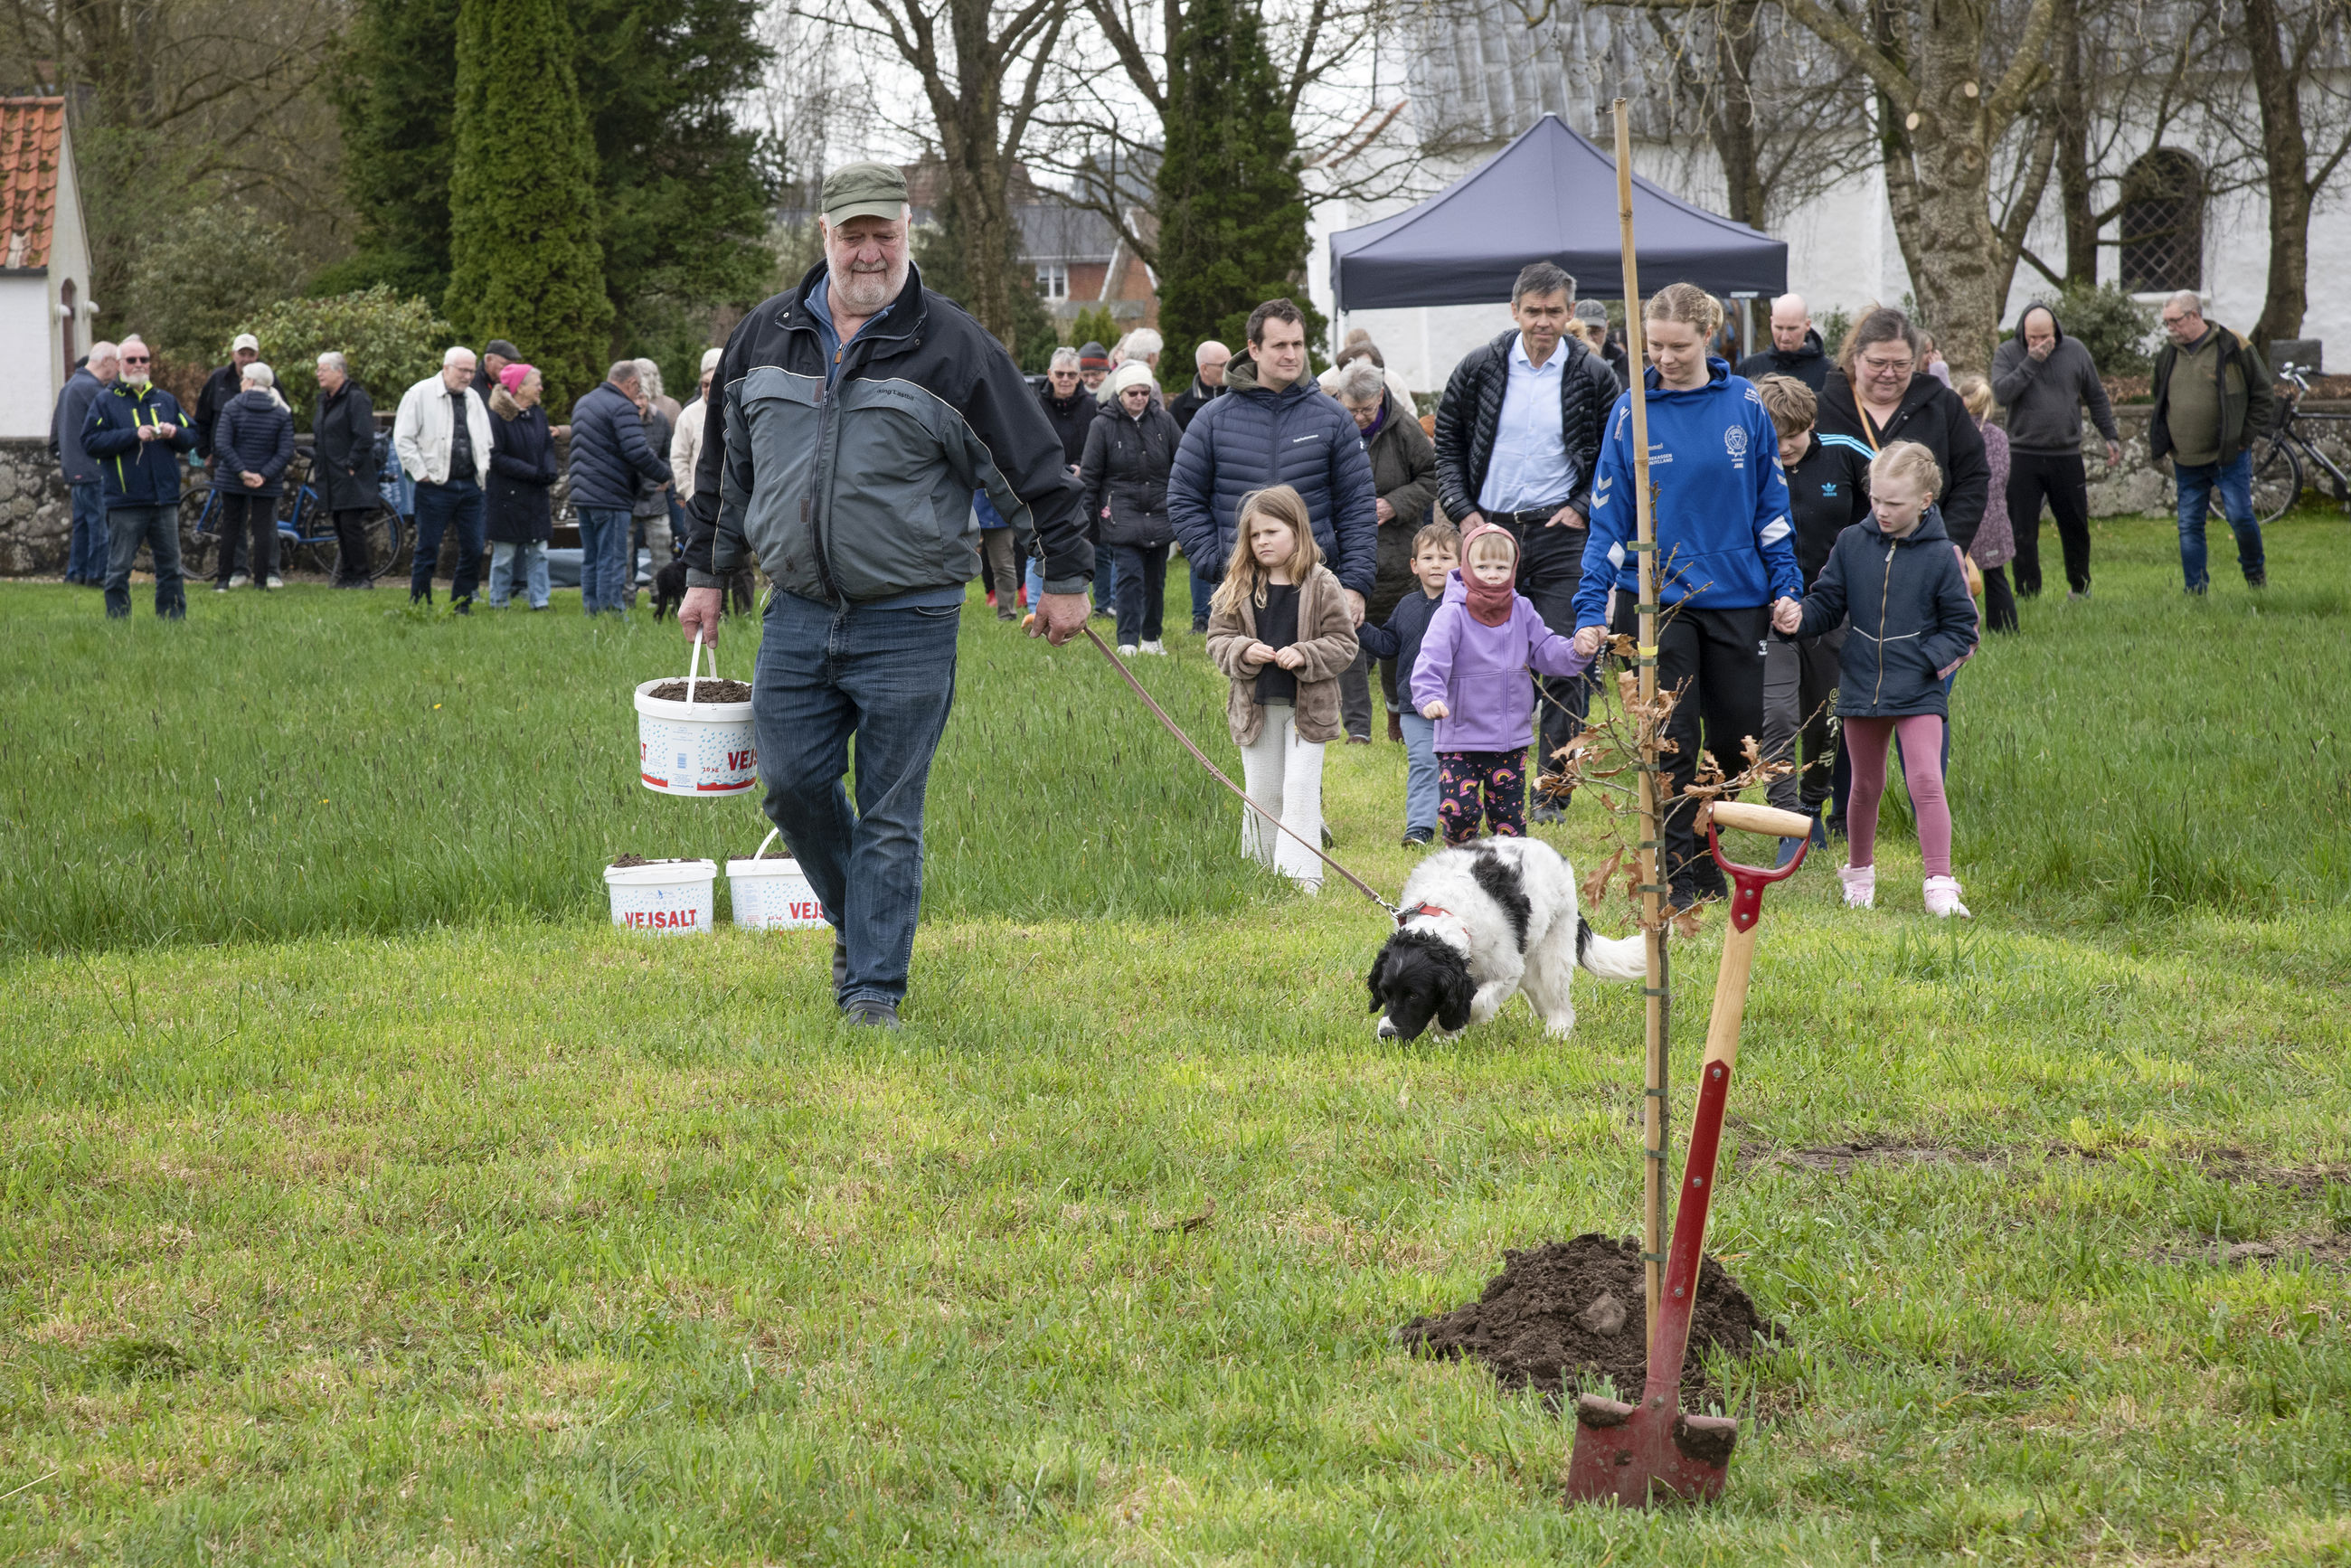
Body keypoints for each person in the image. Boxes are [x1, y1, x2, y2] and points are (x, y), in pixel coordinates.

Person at [674, 159, 1091, 1029]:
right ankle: (861, 925)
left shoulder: (954, 346)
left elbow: (1034, 471)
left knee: (893, 810)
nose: (869, 251)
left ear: (908, 234)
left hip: (911, 617)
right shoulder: (764, 336)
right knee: (790, 788)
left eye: (884, 234)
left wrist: (1068, 580)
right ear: (823, 236)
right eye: (852, 234)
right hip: (796, 613)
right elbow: (724, 472)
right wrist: (707, 575)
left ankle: (873, 992)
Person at [1573, 283, 1801, 909]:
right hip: (1659, 603)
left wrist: (1787, 584)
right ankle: (1683, 866)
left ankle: (1708, 833)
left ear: (1708, 336)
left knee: (1735, 737)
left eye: (1678, 346)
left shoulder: (1746, 405)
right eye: (1654, 346)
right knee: (1672, 733)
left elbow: (1771, 509)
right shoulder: (1632, 411)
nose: (1665, 358)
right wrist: (1592, 610)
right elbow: (1608, 522)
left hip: (1737, 598)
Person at [1434, 260, 1620, 819]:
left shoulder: (1592, 375)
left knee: (1567, 658)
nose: (1544, 321)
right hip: (1489, 532)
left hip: (1560, 532)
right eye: (1533, 311)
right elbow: (1446, 445)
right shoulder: (1480, 368)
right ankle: (1470, 768)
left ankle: (1552, 791)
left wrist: (1582, 508)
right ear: (1514, 311)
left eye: (1555, 312)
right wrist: (1463, 513)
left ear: (1570, 315)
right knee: (1480, 657)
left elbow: (1614, 455)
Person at [1779, 441, 1978, 917]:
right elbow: (1827, 603)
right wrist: (1798, 618)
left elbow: (1963, 630)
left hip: (1919, 689)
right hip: (1861, 685)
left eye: (1895, 503)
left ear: (1926, 501)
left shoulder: (1942, 555)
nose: (1882, 511)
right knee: (1863, 786)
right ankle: (1859, 875)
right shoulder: (1851, 543)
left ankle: (1940, 882)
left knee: (1926, 780)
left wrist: (1925, 662)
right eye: (1876, 500)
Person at [1169, 297, 1379, 684]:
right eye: (1280, 345)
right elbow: (1183, 497)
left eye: (1298, 344)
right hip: (1242, 590)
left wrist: (1354, 584)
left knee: (1313, 704)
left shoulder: (1333, 418)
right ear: (1253, 348)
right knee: (1251, 703)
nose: (1291, 354)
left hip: (1315, 583)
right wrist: (1220, 563)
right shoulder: (1213, 420)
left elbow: (1358, 506)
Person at [1204, 486, 1358, 891]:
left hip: (1309, 709)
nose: (1262, 542)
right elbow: (1217, 641)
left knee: (1300, 787)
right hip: (1255, 708)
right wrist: (1243, 649)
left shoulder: (1323, 583)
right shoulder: (1238, 583)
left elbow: (1345, 644)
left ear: (1297, 531)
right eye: (1255, 535)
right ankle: (1258, 872)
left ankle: (1302, 878)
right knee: (1262, 790)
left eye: (1272, 532)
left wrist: (1306, 654)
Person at [1413, 522, 1593, 845]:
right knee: (1460, 814)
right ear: (1467, 568)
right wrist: (1429, 696)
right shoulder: (1452, 613)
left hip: (1509, 741)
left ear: (1513, 568)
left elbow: (1546, 650)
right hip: (1460, 738)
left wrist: (1576, 650)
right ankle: (1461, 869)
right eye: (1482, 566)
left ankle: (1509, 878)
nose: (1492, 574)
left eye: (1501, 566)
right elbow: (1431, 660)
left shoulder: (1522, 609)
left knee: (1509, 823)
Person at [1753, 373, 1869, 859]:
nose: (1783, 448)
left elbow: (1885, 514)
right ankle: (1787, 821)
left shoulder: (1846, 453)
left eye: (1793, 436)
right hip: (1766, 613)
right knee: (1778, 714)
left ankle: (1813, 805)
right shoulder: (1748, 463)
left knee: (1826, 718)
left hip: (1831, 613)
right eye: (1772, 437)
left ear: (1812, 423)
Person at [1817, 307, 1990, 559]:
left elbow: (1973, 479)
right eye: (1877, 363)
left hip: (1926, 560)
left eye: (1900, 365)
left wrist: (1947, 547)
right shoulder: (1821, 411)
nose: (1889, 374)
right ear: (1856, 357)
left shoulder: (1944, 406)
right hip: (1840, 565)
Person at [1333, 357, 1439, 741]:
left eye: (1367, 409)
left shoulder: (1405, 430)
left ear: (1381, 396)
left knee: (1397, 641)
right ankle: (1358, 729)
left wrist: (1395, 503)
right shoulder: (1332, 425)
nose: (1360, 417)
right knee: (1348, 635)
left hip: (1396, 555)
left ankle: (1397, 712)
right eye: (1352, 409)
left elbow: (1431, 477)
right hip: (1345, 551)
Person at [2148, 289, 2278, 594]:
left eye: (2175, 321)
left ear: (2195, 316)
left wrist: (2243, 438)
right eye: (2166, 323)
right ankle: (2195, 590)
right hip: (2186, 459)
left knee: (2239, 515)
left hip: (2228, 456)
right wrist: (2167, 440)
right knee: (2189, 526)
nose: (2170, 328)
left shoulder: (2232, 346)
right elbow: (2159, 398)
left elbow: (2263, 395)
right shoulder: (2167, 355)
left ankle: (2254, 574)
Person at [1990, 302, 2121, 600]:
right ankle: (2027, 593)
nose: (2038, 343)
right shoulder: (2009, 353)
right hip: (2023, 455)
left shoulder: (2075, 350)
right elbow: (2001, 393)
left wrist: (2110, 436)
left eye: (2044, 337)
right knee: (2023, 531)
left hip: (2066, 455)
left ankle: (2080, 587)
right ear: (2023, 332)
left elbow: (2096, 397)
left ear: (2056, 332)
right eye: (2032, 337)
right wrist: (2031, 362)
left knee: (2075, 526)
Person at [1356, 522, 1459, 844]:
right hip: (1415, 706)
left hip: (1459, 705)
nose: (1437, 564)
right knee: (1424, 762)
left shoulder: (1467, 607)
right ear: (1414, 565)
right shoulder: (1406, 606)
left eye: (1445, 557)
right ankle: (1419, 826)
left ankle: (1459, 823)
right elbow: (1388, 644)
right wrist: (1359, 628)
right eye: (1428, 558)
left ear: (1461, 565)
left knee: (1459, 769)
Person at [83, 335, 195, 619]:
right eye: (131, 360)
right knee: (119, 568)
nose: (138, 365)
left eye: (143, 359)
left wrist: (174, 433)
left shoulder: (166, 400)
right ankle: (118, 622)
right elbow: (90, 441)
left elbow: (192, 436)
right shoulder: (105, 401)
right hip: (125, 500)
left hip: (164, 499)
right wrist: (133, 435)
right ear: (119, 364)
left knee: (171, 567)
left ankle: (172, 620)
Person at [1081, 361, 1182, 654]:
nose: (1139, 398)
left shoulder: (1164, 422)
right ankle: (1127, 641)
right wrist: (1089, 523)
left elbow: (1183, 464)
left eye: (1144, 392)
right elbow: (1089, 478)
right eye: (1133, 392)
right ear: (1121, 394)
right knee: (1129, 579)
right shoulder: (1102, 425)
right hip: (1121, 515)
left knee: (1156, 581)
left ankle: (1151, 638)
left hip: (1160, 513)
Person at [393, 346, 495, 610]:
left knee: (474, 549)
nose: (468, 376)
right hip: (435, 486)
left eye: (472, 371)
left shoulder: (473, 398)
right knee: (427, 549)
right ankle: (419, 604)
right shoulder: (419, 394)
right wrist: (421, 473)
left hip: (471, 485)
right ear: (446, 367)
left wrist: (482, 470)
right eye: (463, 370)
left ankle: (461, 605)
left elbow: (485, 438)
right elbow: (403, 439)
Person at [569, 359, 671, 615]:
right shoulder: (623, 407)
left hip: (584, 494)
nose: (639, 395)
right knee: (613, 559)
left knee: (592, 557)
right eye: (639, 389)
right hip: (610, 495)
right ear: (632, 382)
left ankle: (591, 611)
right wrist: (664, 475)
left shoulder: (585, 402)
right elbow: (637, 451)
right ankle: (612, 614)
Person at [1034, 346, 1111, 616]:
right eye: (1060, 374)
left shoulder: (1092, 407)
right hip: (1047, 482)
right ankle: (1035, 604)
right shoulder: (1035, 405)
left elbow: (1099, 444)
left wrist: (1083, 467)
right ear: (1049, 374)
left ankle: (1096, 602)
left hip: (1084, 484)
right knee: (1039, 545)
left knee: (1091, 544)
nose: (1065, 379)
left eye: (1070, 374)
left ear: (1079, 377)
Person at [210, 363, 295, 591]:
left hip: (233, 478)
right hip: (267, 482)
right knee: (264, 531)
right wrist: (263, 475)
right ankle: (261, 582)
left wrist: (242, 472)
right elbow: (285, 450)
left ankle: (222, 581)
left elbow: (223, 444)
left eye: (243, 379)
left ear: (250, 381)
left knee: (230, 528)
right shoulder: (281, 411)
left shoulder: (232, 407)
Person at [486, 363, 559, 609]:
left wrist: (549, 470)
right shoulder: (497, 416)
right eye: (536, 383)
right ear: (520, 387)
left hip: (535, 494)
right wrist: (534, 473)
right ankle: (498, 601)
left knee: (538, 551)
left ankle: (540, 600)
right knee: (505, 554)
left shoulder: (538, 413)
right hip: (507, 496)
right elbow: (495, 456)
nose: (541, 388)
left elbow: (547, 445)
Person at [194, 332, 261, 584]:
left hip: (259, 461)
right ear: (233, 354)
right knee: (233, 517)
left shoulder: (267, 378)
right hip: (225, 461)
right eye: (241, 353)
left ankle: (271, 572)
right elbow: (202, 417)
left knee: (265, 519)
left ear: (257, 355)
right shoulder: (217, 379)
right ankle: (239, 570)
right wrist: (204, 451)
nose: (245, 358)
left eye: (250, 354)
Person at [311, 352, 379, 588]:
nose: (319, 373)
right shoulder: (324, 400)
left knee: (351, 527)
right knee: (339, 525)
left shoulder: (356, 398)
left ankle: (362, 576)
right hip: (330, 475)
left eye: (324, 369)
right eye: (318, 369)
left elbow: (364, 437)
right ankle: (348, 575)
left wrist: (351, 465)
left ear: (339, 371)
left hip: (350, 474)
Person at [52, 339, 117, 586]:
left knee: (82, 527)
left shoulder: (70, 386)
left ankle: (76, 574)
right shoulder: (93, 390)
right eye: (117, 364)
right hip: (92, 469)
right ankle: (97, 575)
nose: (118, 371)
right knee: (99, 526)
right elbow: (110, 425)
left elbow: (57, 432)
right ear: (106, 362)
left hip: (74, 469)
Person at [1956, 373, 2016, 632]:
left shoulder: (1957, 433)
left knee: (1958, 577)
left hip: (1965, 513)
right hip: (1994, 516)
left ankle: (1962, 627)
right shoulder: (1999, 436)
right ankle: (2004, 627)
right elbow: (2003, 476)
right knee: (1995, 576)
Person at [630, 358, 677, 606]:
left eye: (643, 398)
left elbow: (670, 454)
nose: (639, 403)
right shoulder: (623, 419)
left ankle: (661, 597)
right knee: (627, 555)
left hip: (658, 497)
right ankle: (626, 598)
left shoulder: (662, 417)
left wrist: (667, 477)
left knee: (662, 551)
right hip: (630, 497)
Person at [1736, 293, 1830, 392]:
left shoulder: (1828, 372)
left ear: (1807, 325)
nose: (1785, 337)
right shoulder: (1749, 368)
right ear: (1771, 322)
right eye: (1779, 328)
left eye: (1792, 329)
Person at [672, 347, 723, 511]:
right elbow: (678, 457)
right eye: (705, 384)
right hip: (699, 502)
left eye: (714, 383)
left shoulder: (735, 412)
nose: (709, 389)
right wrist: (689, 492)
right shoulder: (688, 415)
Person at [1169, 339, 1229, 432]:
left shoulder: (1240, 396)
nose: (1229, 369)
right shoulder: (1180, 407)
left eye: (1231, 363)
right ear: (1204, 369)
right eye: (1223, 365)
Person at [1572, 300, 1631, 390]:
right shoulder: (1564, 359)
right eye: (1584, 332)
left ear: (1607, 327)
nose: (1590, 338)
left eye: (1596, 331)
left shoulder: (1621, 360)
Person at [471, 339, 519, 403]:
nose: (511, 370)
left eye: (514, 366)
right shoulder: (471, 382)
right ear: (489, 359)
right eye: (506, 364)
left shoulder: (513, 385)